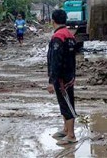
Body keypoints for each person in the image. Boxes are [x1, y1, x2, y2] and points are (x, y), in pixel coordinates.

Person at [47, 9, 77, 145]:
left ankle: (71, 135)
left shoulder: (58, 37)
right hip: (69, 75)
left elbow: (55, 61)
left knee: (67, 104)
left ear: (53, 21)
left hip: (62, 78)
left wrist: (52, 80)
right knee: (64, 103)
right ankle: (66, 130)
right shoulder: (70, 35)